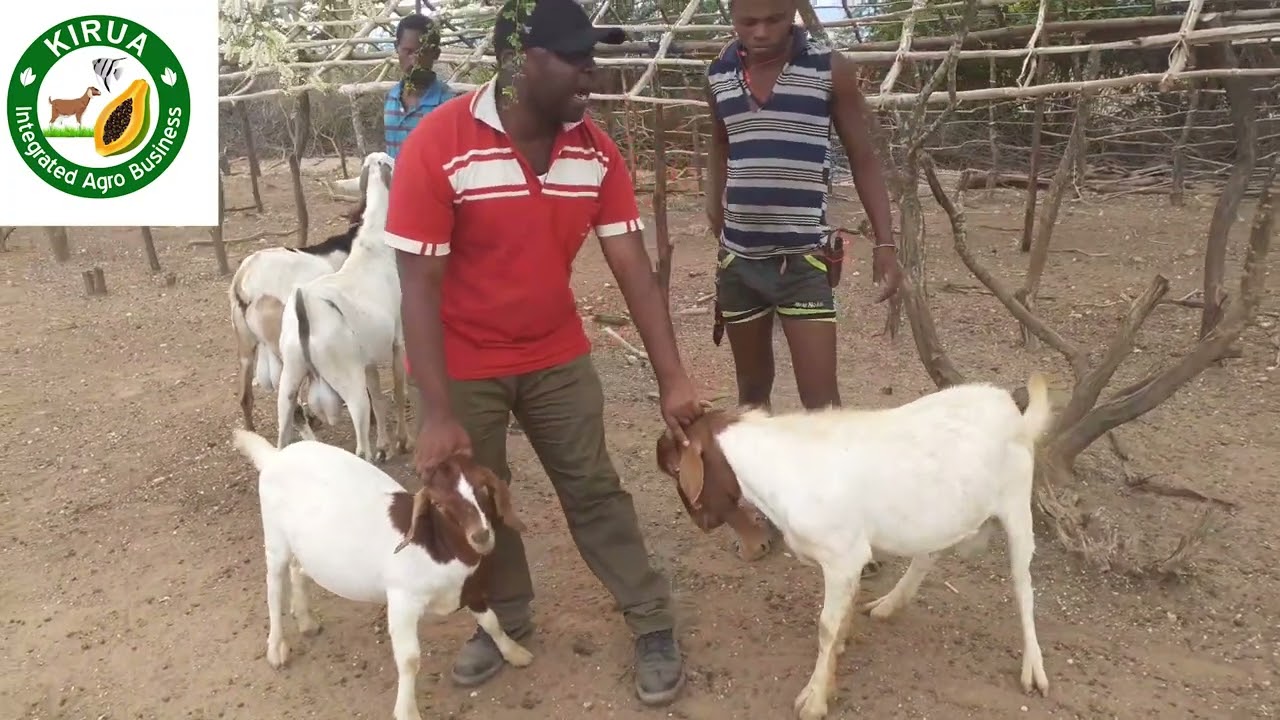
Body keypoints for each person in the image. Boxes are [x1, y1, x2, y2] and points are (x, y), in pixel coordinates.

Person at [384, 0, 701, 706]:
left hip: (555, 352)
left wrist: (673, 378)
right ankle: (505, 614)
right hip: (460, 360)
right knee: (478, 499)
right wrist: (436, 409)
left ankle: (650, 620)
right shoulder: (441, 145)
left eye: (593, 53)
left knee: (593, 488)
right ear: (519, 63)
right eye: (575, 56)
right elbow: (417, 288)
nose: (592, 69)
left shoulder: (594, 151)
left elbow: (634, 270)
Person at [704, 0, 902, 414]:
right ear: (732, 18)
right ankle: (761, 480)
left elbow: (862, 156)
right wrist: (713, 204)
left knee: (823, 407)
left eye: (773, 19)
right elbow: (720, 143)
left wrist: (885, 243)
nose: (760, 32)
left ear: (792, 11)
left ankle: (830, 480)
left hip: (804, 262)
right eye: (748, 22)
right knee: (752, 402)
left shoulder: (829, 69)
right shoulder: (719, 74)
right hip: (740, 262)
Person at [385, 13, 454, 160]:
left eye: (422, 52)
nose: (415, 60)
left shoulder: (448, 104)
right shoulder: (391, 98)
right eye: (408, 51)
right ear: (397, 48)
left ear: (436, 54)